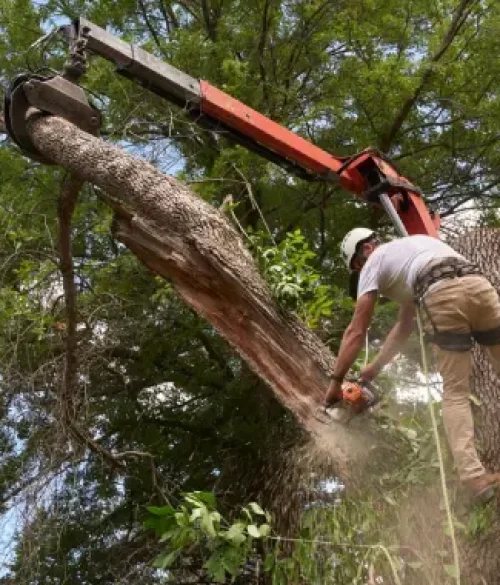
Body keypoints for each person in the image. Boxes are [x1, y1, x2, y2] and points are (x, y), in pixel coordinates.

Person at [324, 228, 500, 500]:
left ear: (363, 253)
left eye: (357, 267)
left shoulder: (374, 261)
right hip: (479, 285)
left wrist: (335, 382)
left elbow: (357, 330)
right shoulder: (414, 248)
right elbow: (404, 326)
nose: (361, 272)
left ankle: (475, 478)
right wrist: (374, 368)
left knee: (455, 392)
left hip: (441, 294)